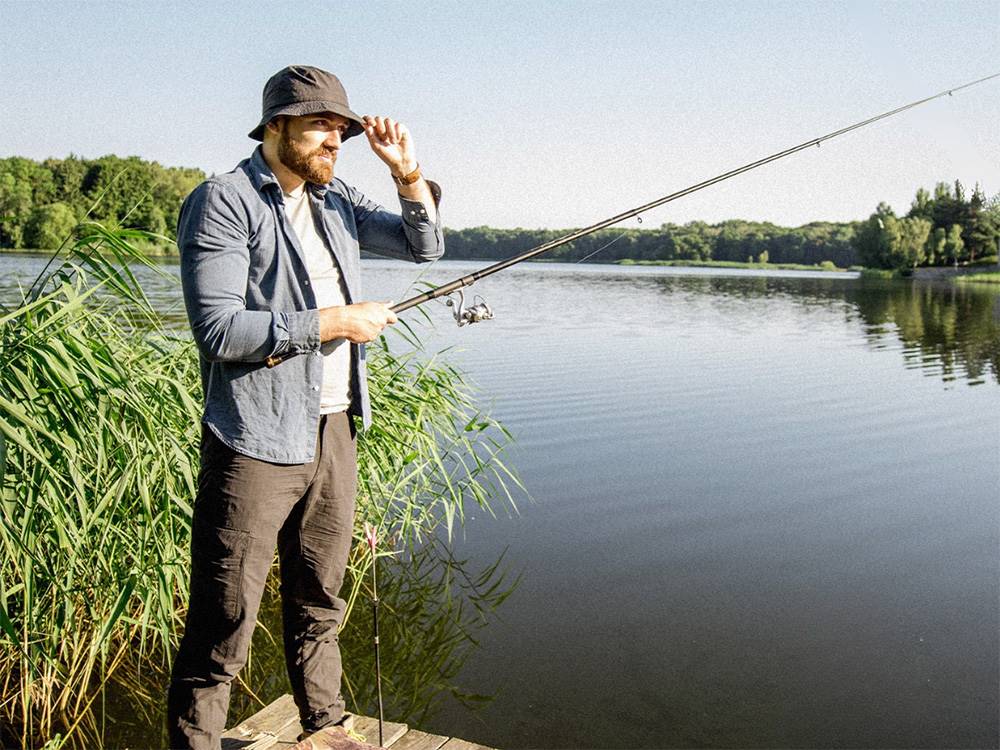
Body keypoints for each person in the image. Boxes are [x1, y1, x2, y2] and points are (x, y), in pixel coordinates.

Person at [167, 64, 444, 750]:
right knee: (225, 617)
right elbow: (219, 331)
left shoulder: (336, 198)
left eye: (341, 129)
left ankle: (324, 726)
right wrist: (334, 321)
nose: (335, 141)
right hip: (254, 439)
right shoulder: (224, 201)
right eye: (320, 125)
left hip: (334, 425)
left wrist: (407, 174)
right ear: (275, 126)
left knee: (320, 595)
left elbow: (424, 246)